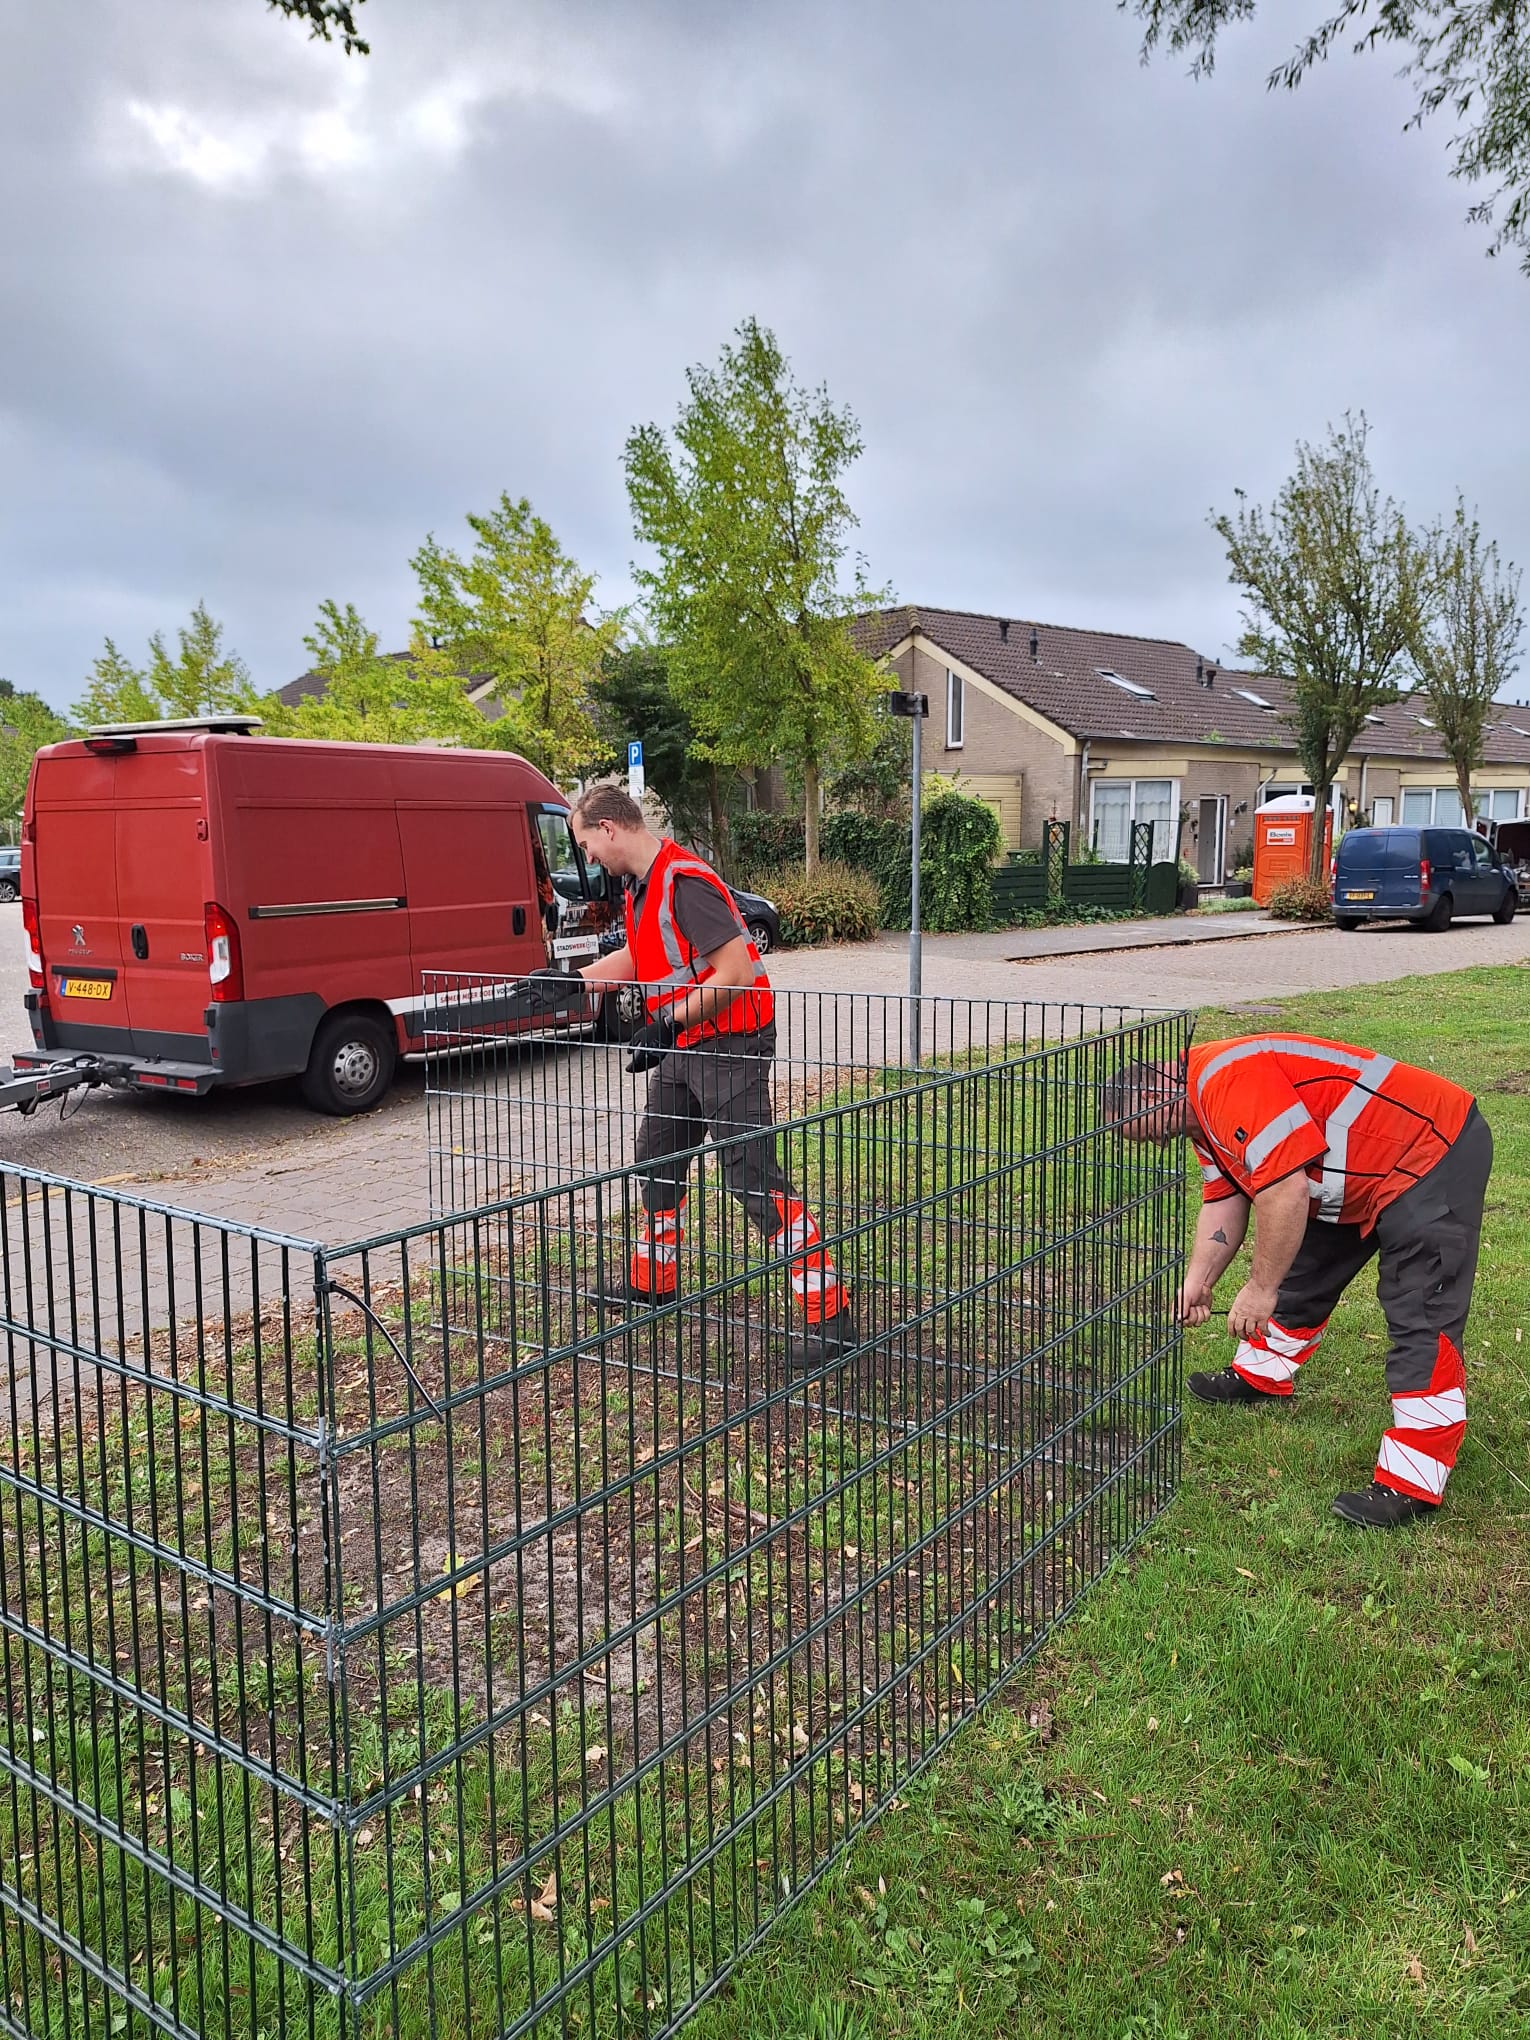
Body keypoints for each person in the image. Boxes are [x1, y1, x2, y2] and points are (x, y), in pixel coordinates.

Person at [1107, 1032, 1491, 1529]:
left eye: (1150, 1133)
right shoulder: (1197, 1112)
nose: (1158, 1143)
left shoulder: (1226, 1082)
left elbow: (1284, 1192)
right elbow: (1225, 1200)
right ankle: (1261, 1374)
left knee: (1421, 1310)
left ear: (1151, 1093)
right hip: (1357, 1173)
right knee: (1304, 1271)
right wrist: (1199, 1281)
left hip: (1430, 1153)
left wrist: (1259, 1288)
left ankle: (1414, 1479)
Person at [570, 784, 858, 1370]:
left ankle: (831, 1318)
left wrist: (667, 1022)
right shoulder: (643, 888)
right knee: (657, 1156)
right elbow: (643, 956)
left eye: (585, 844)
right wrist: (569, 982)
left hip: (731, 1044)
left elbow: (736, 969)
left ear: (608, 829)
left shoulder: (685, 881)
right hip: (687, 1043)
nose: (587, 858)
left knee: (752, 1176)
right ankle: (653, 1281)